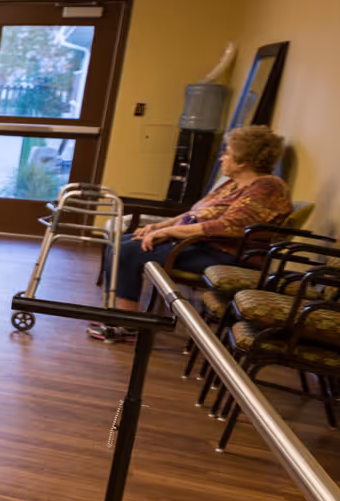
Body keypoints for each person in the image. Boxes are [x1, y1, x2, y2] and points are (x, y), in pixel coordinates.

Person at [89, 123, 292, 343]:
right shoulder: (232, 184)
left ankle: (128, 324)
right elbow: (194, 213)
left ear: (243, 161)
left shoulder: (267, 187)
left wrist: (170, 232)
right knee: (119, 244)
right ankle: (118, 314)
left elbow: (228, 226)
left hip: (225, 254)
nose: (222, 158)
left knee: (128, 252)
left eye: (228, 153)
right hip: (199, 244)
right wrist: (158, 227)